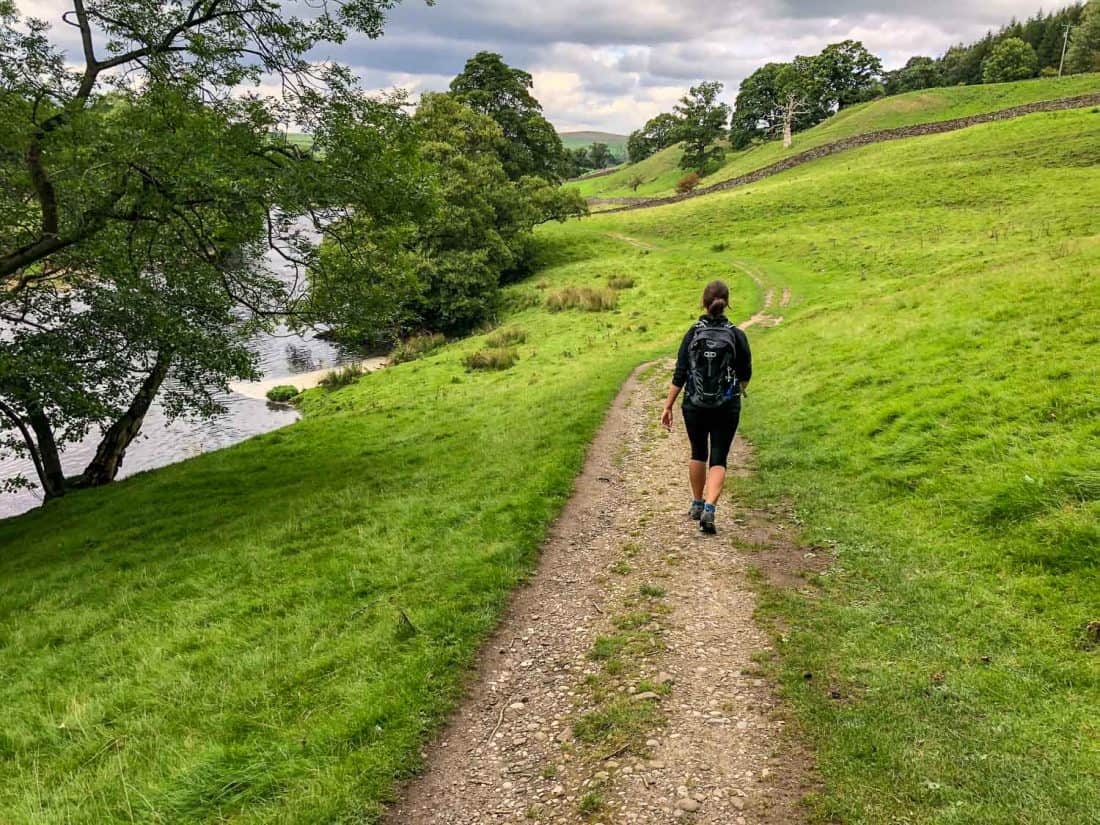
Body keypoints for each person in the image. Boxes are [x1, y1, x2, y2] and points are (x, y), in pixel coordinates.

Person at [660, 279, 752, 534]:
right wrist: (736, 390)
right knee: (719, 456)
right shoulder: (736, 335)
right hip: (726, 406)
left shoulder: (692, 333)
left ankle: (697, 502)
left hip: (694, 404)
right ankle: (710, 509)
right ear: (727, 303)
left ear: (703, 302)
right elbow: (745, 374)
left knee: (698, 451)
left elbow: (680, 373)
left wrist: (668, 406)